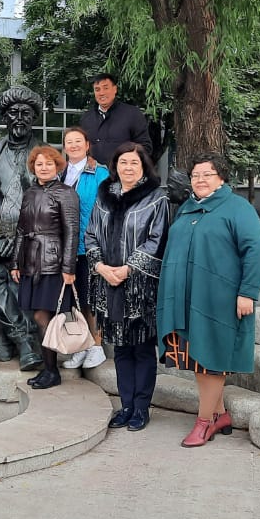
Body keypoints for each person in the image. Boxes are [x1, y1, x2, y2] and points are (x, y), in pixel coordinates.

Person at [158, 152, 260, 448]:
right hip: (187, 298)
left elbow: (256, 250)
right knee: (199, 359)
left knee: (212, 359)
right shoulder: (187, 209)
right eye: (195, 175)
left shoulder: (237, 209)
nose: (200, 180)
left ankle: (204, 422)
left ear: (221, 178)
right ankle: (219, 414)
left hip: (219, 300)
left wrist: (248, 292)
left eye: (207, 174)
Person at [85, 142, 171, 431]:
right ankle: (126, 406)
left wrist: (128, 268)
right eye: (123, 162)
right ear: (115, 166)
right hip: (108, 282)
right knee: (120, 348)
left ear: (144, 166)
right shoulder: (104, 196)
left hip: (140, 286)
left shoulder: (156, 199)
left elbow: (157, 239)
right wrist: (100, 266)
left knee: (142, 348)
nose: (128, 168)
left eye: (134, 163)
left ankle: (141, 408)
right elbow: (91, 234)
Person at [0, 86, 45, 371]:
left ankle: (13, 338)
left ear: (34, 118)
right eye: (13, 113)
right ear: (4, 117)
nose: (19, 118)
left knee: (21, 270)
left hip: (33, 235)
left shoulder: (46, 154)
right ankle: (23, 337)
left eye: (26, 113)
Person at [9, 145, 79, 390]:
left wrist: (68, 267)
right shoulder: (29, 192)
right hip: (31, 260)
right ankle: (48, 369)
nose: (44, 167)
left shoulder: (66, 193)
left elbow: (72, 231)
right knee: (39, 316)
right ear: (33, 167)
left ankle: (52, 370)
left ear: (57, 166)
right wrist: (16, 262)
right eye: (39, 164)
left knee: (44, 316)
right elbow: (21, 229)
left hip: (53, 263)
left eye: (49, 163)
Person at [60, 126, 110, 371]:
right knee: (73, 299)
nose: (74, 145)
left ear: (87, 145)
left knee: (91, 297)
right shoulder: (60, 173)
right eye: (69, 141)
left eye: (78, 141)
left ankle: (97, 345)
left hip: (89, 245)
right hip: (65, 246)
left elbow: (108, 209)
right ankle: (82, 345)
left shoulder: (100, 173)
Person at [79, 72, 151, 166]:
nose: (101, 93)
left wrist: (127, 162)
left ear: (115, 89)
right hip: (94, 173)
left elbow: (145, 147)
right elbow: (80, 147)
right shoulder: (87, 118)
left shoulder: (132, 114)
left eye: (106, 88)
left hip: (123, 172)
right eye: (97, 89)